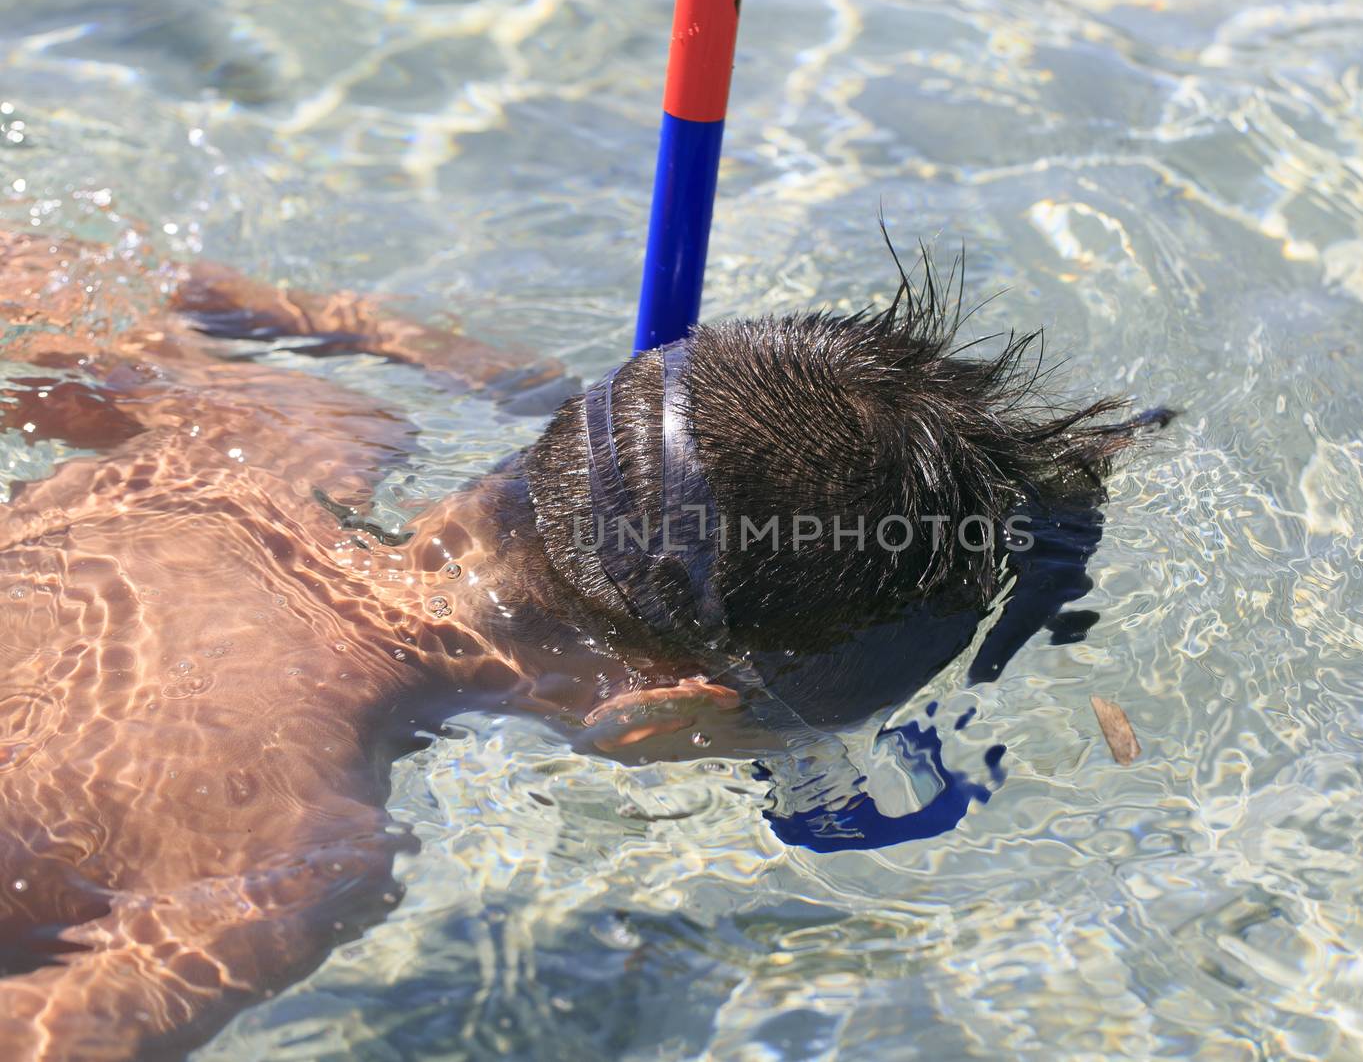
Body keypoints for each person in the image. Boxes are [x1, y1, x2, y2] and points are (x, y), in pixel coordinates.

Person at [0, 229, 1161, 1059]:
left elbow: (50, 267)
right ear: (670, 710)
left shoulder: (285, 429)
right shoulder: (298, 856)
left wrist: (435, 350)